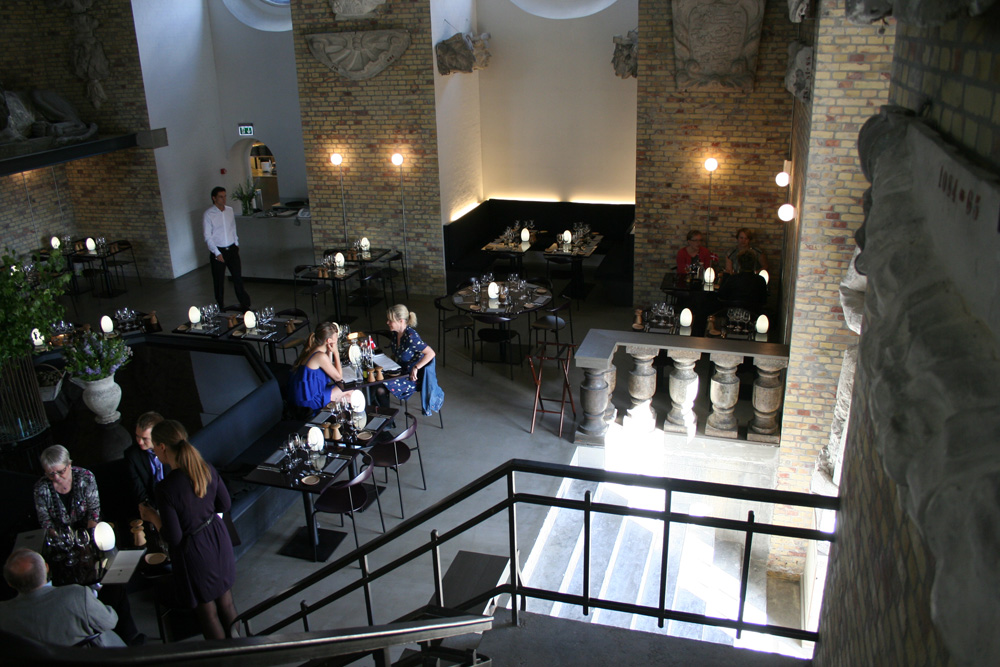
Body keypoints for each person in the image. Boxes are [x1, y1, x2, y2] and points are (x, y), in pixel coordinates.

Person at [139, 420, 238, 640]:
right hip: (218, 539)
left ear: (163, 447)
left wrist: (153, 517)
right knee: (227, 602)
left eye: (154, 446)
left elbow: (173, 537)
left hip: (195, 552)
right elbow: (225, 504)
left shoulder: (166, 488)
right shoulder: (206, 468)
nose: (154, 451)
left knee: (208, 613)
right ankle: (244, 652)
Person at [0, 549, 126, 647]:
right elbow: (110, 622)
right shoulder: (76, 594)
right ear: (46, 568)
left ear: (9, 583)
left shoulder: (3, 614)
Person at [379, 304, 444, 416]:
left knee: (380, 388)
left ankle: (387, 421)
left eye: (390, 320)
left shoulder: (411, 337)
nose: (387, 322)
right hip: (401, 370)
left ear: (400, 321)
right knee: (375, 381)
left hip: (412, 377)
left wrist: (416, 367)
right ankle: (383, 418)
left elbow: (431, 353)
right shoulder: (396, 334)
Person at [203, 186, 251, 312]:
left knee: (237, 277)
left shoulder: (229, 210)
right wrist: (217, 252)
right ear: (214, 198)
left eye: (225, 196)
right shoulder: (209, 214)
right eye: (220, 197)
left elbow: (232, 228)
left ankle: (245, 304)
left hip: (232, 248)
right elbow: (208, 236)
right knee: (219, 280)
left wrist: (236, 243)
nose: (224, 199)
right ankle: (220, 306)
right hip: (219, 250)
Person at [289, 322, 355, 412]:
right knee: (350, 391)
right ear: (329, 341)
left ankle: (338, 417)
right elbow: (338, 377)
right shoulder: (320, 356)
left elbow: (328, 365)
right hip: (310, 400)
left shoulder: (315, 349)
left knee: (347, 396)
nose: (337, 339)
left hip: (307, 394)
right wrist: (336, 352)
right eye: (336, 337)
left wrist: (330, 351)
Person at [33, 445, 99, 535]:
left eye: (60, 472)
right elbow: (45, 521)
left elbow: (94, 511)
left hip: (86, 527)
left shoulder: (86, 477)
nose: (56, 477)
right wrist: (60, 540)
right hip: (60, 534)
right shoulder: (40, 488)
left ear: (69, 464)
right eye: (51, 474)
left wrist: (90, 536)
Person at [124, 411, 166, 507]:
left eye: (144, 438)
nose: (139, 442)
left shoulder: (171, 449)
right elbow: (138, 489)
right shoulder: (132, 455)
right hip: (152, 504)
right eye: (137, 436)